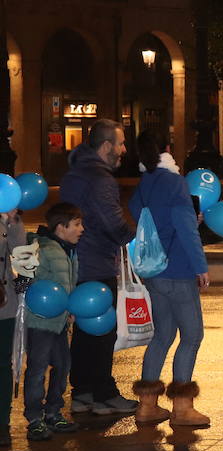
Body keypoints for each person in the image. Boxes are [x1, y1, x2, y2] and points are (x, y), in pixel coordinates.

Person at [128, 127, 211, 427]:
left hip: (154, 271)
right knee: (192, 336)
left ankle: (147, 406)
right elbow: (186, 228)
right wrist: (201, 266)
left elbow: (137, 210)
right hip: (177, 270)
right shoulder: (175, 182)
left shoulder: (146, 181)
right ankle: (182, 408)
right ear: (166, 149)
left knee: (163, 335)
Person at [61, 119, 138, 416]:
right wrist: (135, 241)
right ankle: (105, 393)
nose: (123, 150)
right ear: (106, 146)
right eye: (120, 144)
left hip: (76, 262)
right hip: (96, 262)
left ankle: (82, 393)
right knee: (103, 330)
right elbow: (112, 223)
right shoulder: (101, 179)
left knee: (83, 331)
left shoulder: (73, 174)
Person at [18, 203, 83, 441]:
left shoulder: (69, 250)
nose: (81, 229)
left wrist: (71, 306)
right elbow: (21, 284)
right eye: (76, 224)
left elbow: (70, 284)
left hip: (60, 321)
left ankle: (53, 412)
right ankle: (34, 418)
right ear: (61, 227)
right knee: (37, 369)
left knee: (63, 366)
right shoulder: (35, 244)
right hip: (39, 322)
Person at [0, 208, 25, 445]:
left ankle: (1, 423)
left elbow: (24, 258)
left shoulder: (8, 220)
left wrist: (13, 220)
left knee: (3, 364)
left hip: (4, 303)